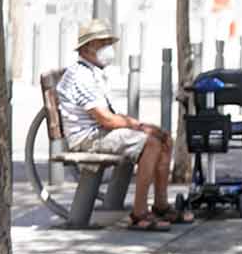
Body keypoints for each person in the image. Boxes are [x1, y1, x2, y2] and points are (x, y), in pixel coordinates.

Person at [56, 19, 193, 231]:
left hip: (99, 132)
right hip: (88, 138)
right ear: (86, 48)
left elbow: (110, 117)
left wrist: (139, 126)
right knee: (151, 143)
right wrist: (140, 127)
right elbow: (106, 119)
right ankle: (139, 213)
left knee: (164, 139)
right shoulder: (81, 75)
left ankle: (161, 205)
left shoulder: (94, 73)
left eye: (107, 42)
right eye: (101, 43)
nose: (107, 48)